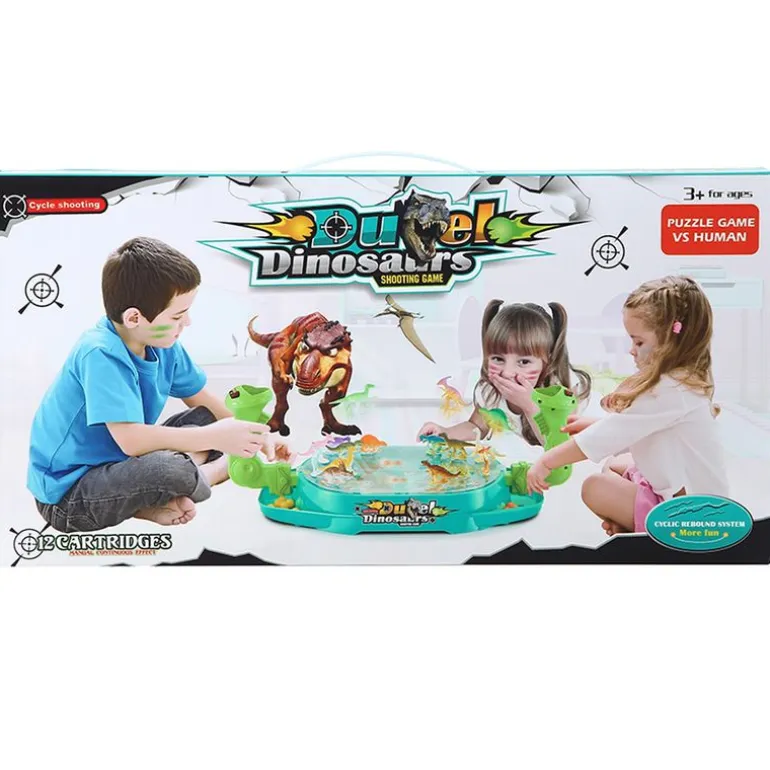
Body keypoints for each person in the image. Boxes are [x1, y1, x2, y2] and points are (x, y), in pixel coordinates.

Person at [27, 236, 290, 533]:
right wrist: (218, 439)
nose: (187, 322)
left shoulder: (162, 343)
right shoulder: (100, 353)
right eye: (177, 315)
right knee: (170, 468)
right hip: (69, 496)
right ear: (134, 318)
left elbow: (203, 401)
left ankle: (151, 501)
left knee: (206, 417)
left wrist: (262, 435)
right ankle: (216, 471)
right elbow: (131, 441)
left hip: (121, 465)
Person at [526, 275, 728, 536]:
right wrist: (594, 425)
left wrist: (547, 461)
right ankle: (632, 519)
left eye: (639, 342)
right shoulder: (679, 382)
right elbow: (639, 429)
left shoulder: (669, 391)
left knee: (594, 487)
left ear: (672, 340)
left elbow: (607, 437)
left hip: (691, 516)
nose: (632, 350)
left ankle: (643, 526)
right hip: (679, 490)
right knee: (613, 464)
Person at [418, 300, 591, 444]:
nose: (507, 372)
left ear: (548, 359)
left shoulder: (564, 389)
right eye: (498, 359)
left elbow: (558, 448)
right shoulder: (490, 391)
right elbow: (477, 427)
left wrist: (529, 405)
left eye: (524, 362)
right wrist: (445, 432)